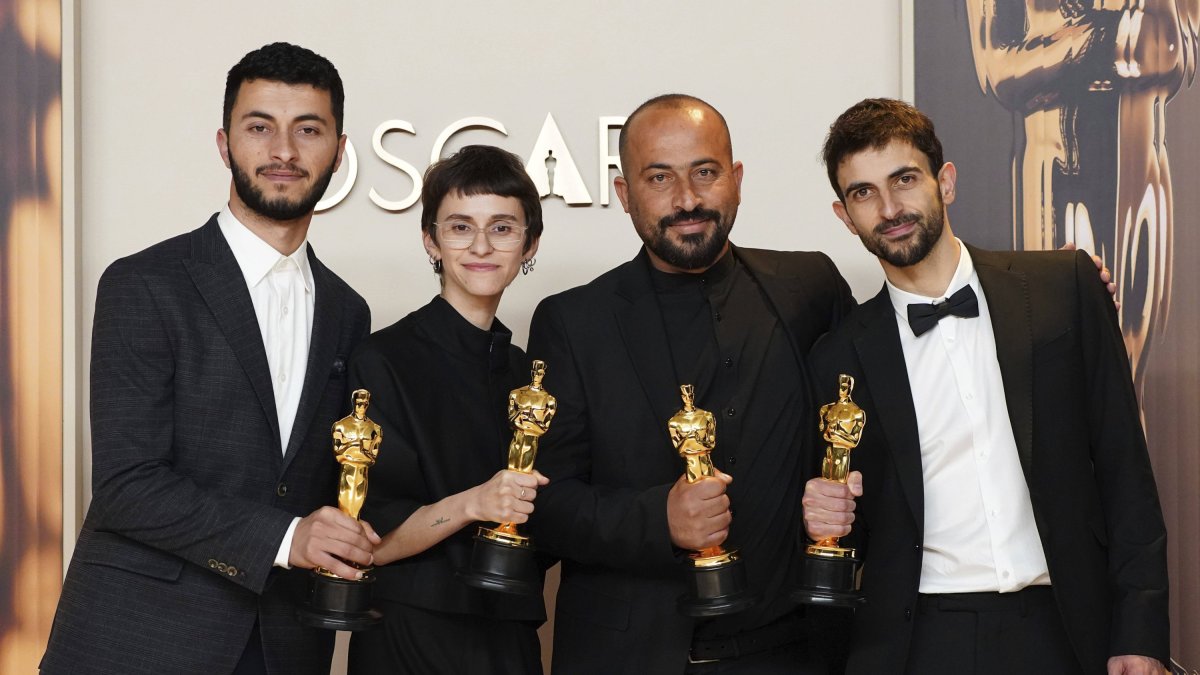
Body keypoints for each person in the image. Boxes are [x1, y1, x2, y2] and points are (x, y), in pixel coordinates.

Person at [40, 42, 376, 675]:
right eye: (260, 127)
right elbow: (126, 485)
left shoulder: (347, 311)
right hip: (140, 642)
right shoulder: (144, 283)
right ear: (225, 145)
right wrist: (287, 538)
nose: (284, 151)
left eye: (308, 130)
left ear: (338, 150)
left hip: (285, 644)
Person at [802, 98, 1169, 675]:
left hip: (1065, 626)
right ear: (845, 216)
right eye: (864, 193)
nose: (890, 208)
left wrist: (1140, 634)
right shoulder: (837, 358)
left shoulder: (1064, 288)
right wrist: (826, 515)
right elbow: (859, 525)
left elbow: (1126, 474)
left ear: (945, 182)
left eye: (904, 179)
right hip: (919, 641)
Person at [526, 94, 856, 674]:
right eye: (659, 177)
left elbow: (874, 432)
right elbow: (545, 507)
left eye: (705, 172)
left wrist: (849, 493)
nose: (687, 199)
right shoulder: (573, 322)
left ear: (736, 179)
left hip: (797, 654)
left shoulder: (811, 287)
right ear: (624, 194)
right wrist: (660, 518)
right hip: (635, 659)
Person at [346, 144, 548, 675]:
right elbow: (371, 543)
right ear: (431, 240)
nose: (481, 245)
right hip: (411, 633)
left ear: (529, 243)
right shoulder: (382, 360)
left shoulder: (525, 373)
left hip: (510, 631)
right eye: (460, 227)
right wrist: (474, 503)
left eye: (502, 228)